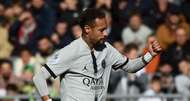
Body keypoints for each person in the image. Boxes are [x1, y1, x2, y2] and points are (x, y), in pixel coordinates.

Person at [33, 8, 162, 101]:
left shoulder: (107, 49)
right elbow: (39, 77)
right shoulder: (70, 51)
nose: (105, 33)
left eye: (106, 29)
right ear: (87, 29)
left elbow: (130, 67)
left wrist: (150, 55)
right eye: (101, 30)